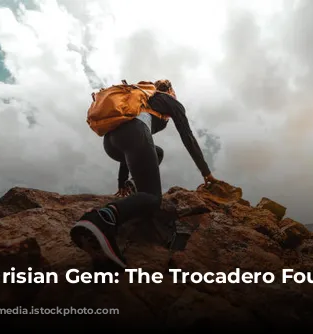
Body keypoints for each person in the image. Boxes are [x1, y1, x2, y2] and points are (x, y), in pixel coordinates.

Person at [70, 79, 221, 268]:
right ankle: (101, 219)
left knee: (157, 152)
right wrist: (206, 172)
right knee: (152, 197)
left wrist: (122, 182)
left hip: (111, 142)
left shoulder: (141, 99)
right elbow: (187, 136)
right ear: (171, 91)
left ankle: (132, 187)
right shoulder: (169, 100)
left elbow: (129, 146)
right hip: (134, 134)